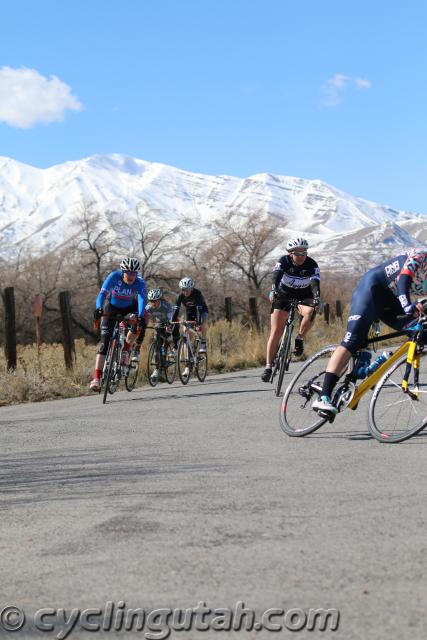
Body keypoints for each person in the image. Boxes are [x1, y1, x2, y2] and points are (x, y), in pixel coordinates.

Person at [312, 248, 427, 417]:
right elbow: (403, 280)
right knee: (354, 340)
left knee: (422, 333)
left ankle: (368, 372)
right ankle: (324, 396)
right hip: (372, 289)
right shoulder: (421, 256)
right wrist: (407, 306)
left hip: (391, 301)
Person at [261, 237, 320, 382]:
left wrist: (317, 298)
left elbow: (315, 283)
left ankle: (300, 338)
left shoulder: (312, 264)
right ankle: (268, 366)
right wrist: (273, 290)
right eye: (298, 253)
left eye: (304, 253)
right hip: (283, 295)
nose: (301, 256)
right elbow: (276, 276)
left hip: (304, 296)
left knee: (311, 311)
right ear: (290, 254)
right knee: (275, 331)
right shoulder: (283, 261)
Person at [89, 257, 147, 391]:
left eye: (134, 273)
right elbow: (102, 294)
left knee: (138, 324)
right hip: (112, 307)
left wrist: (139, 315)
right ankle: (96, 378)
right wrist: (99, 308)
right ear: (123, 272)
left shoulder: (139, 282)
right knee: (104, 344)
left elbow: (142, 299)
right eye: (129, 273)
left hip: (129, 308)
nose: (132, 276)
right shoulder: (114, 276)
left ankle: (126, 349)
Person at [171, 277, 209, 377]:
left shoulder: (197, 294)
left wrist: (199, 323)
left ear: (191, 288)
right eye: (183, 290)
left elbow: (199, 310)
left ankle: (203, 343)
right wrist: (173, 321)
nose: (185, 292)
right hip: (189, 311)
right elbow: (176, 310)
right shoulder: (180, 296)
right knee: (185, 333)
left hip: (201, 311)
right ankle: (187, 366)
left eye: (187, 290)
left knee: (204, 323)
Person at [144, 288, 175, 383]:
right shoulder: (148, 307)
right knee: (157, 342)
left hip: (168, 320)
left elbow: (171, 317)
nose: (152, 303)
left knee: (167, 336)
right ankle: (157, 369)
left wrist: (169, 325)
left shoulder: (166, 306)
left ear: (159, 300)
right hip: (159, 322)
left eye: (155, 301)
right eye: (151, 301)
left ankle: (172, 347)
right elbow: (144, 317)